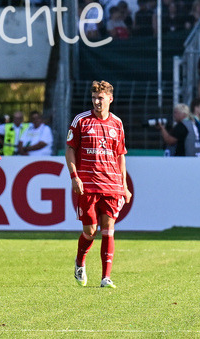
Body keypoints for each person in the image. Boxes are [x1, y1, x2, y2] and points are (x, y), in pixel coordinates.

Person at [65, 80, 131, 289]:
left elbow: (120, 156)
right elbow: (70, 149)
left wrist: (124, 185)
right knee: (90, 230)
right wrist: (74, 176)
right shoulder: (81, 121)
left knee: (108, 228)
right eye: (94, 98)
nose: (96, 102)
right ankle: (80, 261)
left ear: (110, 99)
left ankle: (106, 277)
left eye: (100, 98)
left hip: (111, 184)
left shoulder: (117, 123)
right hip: (88, 186)